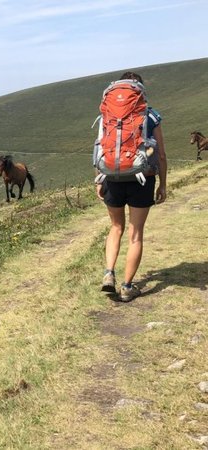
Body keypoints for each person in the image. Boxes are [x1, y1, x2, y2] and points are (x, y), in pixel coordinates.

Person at [96, 71, 167, 302]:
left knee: (116, 227)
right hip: (143, 178)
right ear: (140, 90)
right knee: (136, 234)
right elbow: (162, 155)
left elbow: (99, 146)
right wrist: (163, 185)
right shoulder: (150, 115)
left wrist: (99, 178)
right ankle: (127, 287)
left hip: (111, 177)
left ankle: (108, 274)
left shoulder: (107, 112)